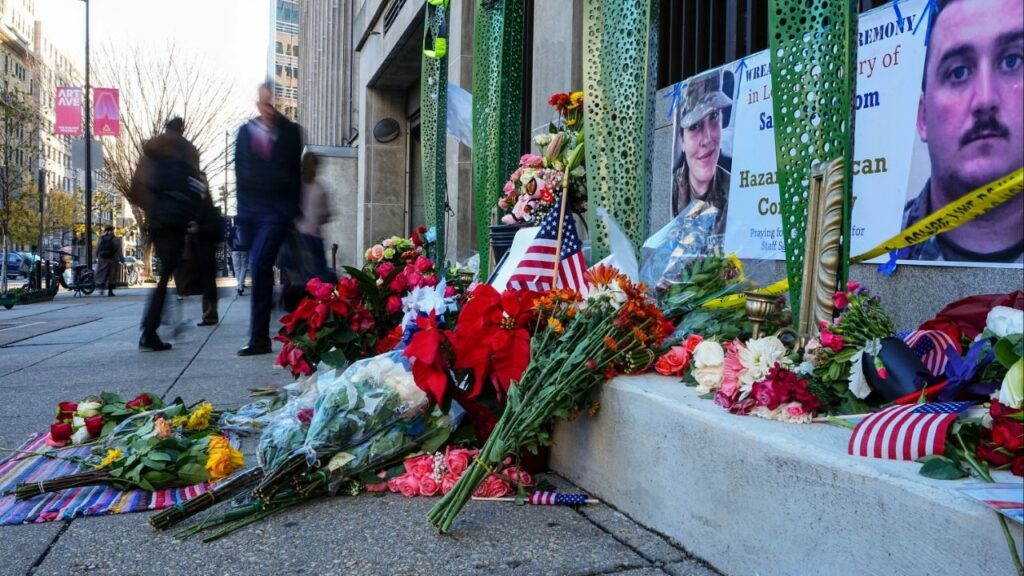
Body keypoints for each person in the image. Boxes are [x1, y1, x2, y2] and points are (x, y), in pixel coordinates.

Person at [904, 0, 1024, 263]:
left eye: (1012, 61)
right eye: (958, 72)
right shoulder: (868, 249)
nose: (985, 99)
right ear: (923, 118)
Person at [234, 82, 303, 356]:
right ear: (258, 103)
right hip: (253, 212)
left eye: (273, 102)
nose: (269, 108)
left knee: (260, 263)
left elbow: (296, 174)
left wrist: (292, 211)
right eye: (264, 102)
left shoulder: (291, 132)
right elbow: (239, 174)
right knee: (262, 269)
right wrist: (243, 215)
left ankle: (260, 337)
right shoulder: (244, 133)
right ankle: (264, 335)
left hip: (278, 211)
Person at [132, 116, 204, 351]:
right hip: (177, 218)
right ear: (182, 128)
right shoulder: (188, 150)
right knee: (166, 275)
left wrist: (153, 209)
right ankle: (150, 329)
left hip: (157, 219)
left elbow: (136, 188)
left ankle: (154, 327)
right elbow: (196, 185)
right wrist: (192, 215)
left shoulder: (150, 151)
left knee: (166, 273)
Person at [672, 69, 732, 238]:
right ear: (682, 140)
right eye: (694, 126)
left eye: (714, 116)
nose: (707, 139)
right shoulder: (673, 190)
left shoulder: (734, 190)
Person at [296, 152, 335, 282]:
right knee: (318, 278)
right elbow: (326, 214)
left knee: (298, 277)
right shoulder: (320, 188)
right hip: (314, 237)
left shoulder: (296, 185)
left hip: (296, 237)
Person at [94, 225, 122, 296]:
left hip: (102, 258)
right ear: (113, 230)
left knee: (103, 274)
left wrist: (95, 256)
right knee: (112, 275)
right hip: (113, 259)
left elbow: (97, 248)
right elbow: (119, 250)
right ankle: (110, 291)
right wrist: (122, 259)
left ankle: (102, 288)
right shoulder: (116, 239)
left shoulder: (101, 238)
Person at [228, 222, 249, 295]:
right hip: (244, 250)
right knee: (244, 267)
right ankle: (240, 285)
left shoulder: (232, 229)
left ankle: (239, 286)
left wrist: (231, 248)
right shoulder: (246, 229)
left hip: (235, 249)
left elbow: (229, 240)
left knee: (237, 268)